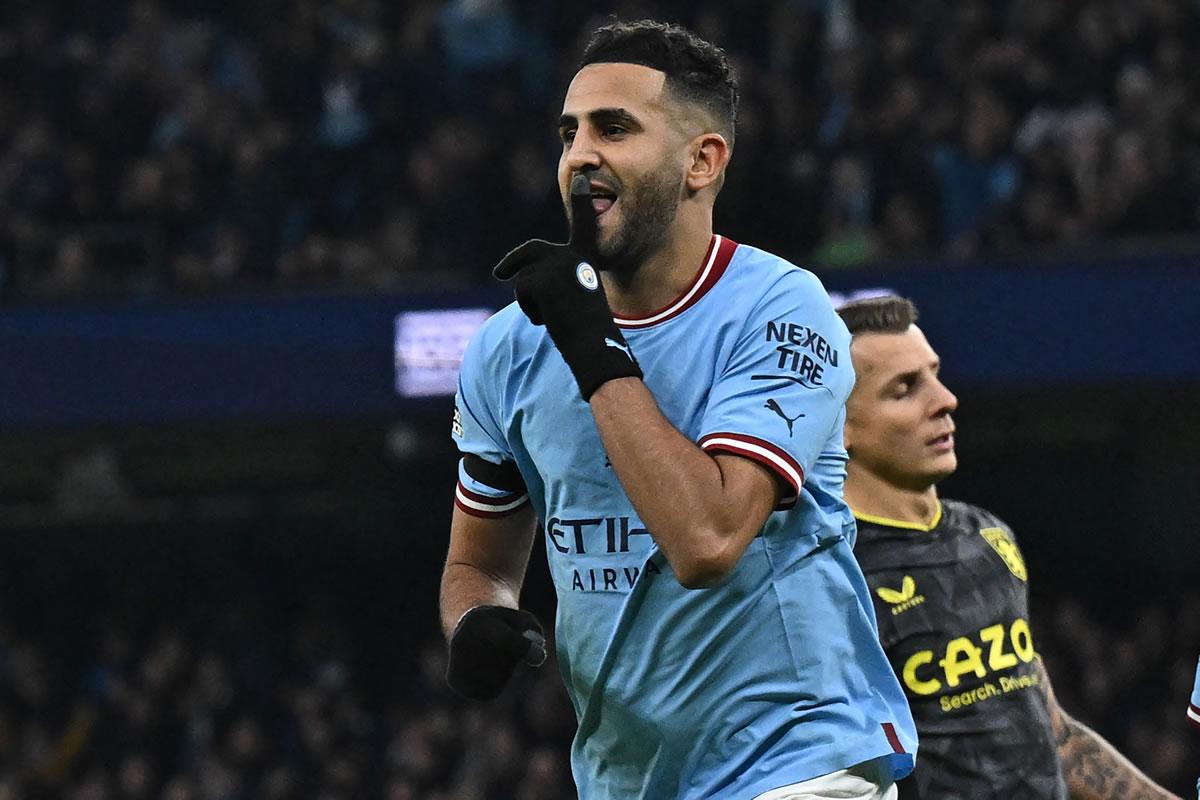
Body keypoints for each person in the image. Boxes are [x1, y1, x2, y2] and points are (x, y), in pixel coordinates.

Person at [438, 19, 917, 800]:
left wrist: (591, 345)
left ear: (703, 161)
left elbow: (707, 540)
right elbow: (479, 565)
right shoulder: (508, 351)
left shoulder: (782, 311)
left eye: (614, 128)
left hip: (801, 763)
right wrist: (475, 620)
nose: (581, 154)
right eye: (570, 133)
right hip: (629, 780)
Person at [838, 295, 1179, 799]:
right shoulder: (835, 575)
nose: (945, 399)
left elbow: (1052, 733)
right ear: (840, 426)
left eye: (935, 374)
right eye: (905, 389)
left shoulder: (984, 535)